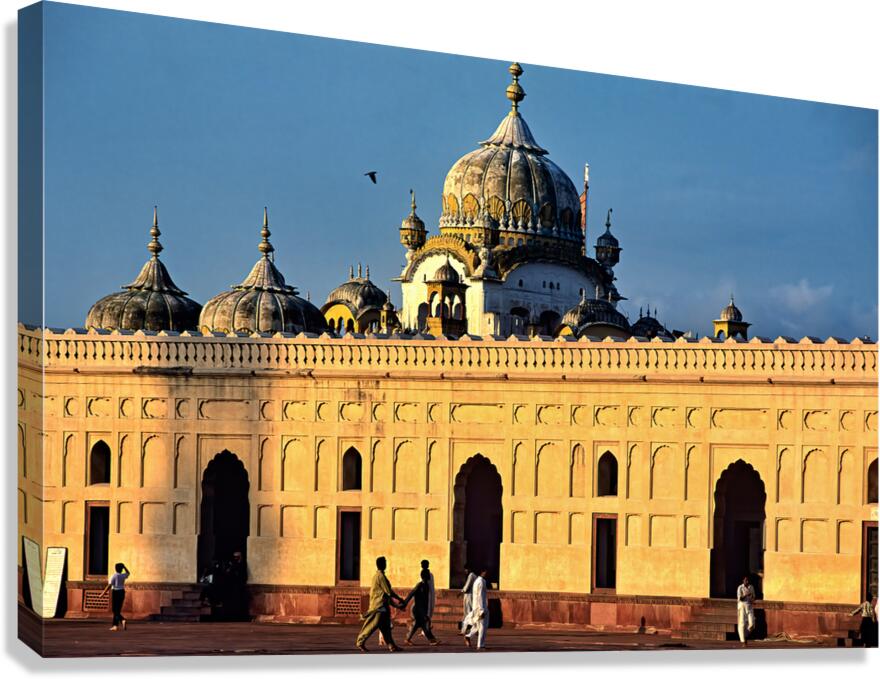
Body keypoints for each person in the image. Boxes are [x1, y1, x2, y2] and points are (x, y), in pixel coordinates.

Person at [356, 556, 404, 652]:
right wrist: (399, 599)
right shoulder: (380, 577)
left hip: (383, 607)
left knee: (386, 629)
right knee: (371, 626)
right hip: (378, 607)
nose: (386, 564)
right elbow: (388, 592)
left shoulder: (379, 576)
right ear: (382, 564)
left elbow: (386, 595)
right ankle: (360, 642)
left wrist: (397, 605)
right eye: (385, 562)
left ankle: (391, 645)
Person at [401, 569, 441, 646]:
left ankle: (408, 638)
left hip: (421, 609)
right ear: (426, 577)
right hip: (417, 609)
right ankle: (431, 640)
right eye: (428, 575)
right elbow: (411, 594)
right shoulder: (420, 585)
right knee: (423, 624)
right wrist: (404, 603)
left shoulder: (426, 586)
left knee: (419, 624)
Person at [463, 567, 489, 650]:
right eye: (486, 572)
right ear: (483, 572)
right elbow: (480, 596)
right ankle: (480, 645)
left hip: (476, 606)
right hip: (480, 607)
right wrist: (482, 610)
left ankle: (468, 636)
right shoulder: (481, 582)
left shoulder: (477, 581)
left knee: (477, 626)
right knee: (482, 627)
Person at [100, 562, 130, 632]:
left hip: (116, 592)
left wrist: (103, 593)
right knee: (118, 610)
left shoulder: (114, 576)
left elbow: (109, 585)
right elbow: (128, 573)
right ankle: (115, 626)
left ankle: (122, 620)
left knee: (114, 610)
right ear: (122, 569)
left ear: (115, 569)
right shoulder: (123, 575)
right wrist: (124, 566)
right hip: (122, 592)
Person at [736, 575, 756, 646]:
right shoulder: (740, 587)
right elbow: (740, 598)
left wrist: (752, 598)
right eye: (745, 580)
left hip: (749, 605)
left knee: (752, 624)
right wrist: (746, 594)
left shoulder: (751, 587)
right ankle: (743, 641)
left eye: (747, 580)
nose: (747, 582)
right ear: (743, 581)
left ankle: (745, 635)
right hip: (742, 606)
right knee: (742, 623)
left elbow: (753, 597)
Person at [420, 559, 435, 639]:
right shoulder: (422, 584)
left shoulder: (429, 575)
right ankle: (430, 637)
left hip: (427, 599)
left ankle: (428, 634)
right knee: (425, 618)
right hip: (425, 600)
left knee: (426, 618)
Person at [460, 564, 477, 635]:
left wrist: (461, 591)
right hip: (470, 596)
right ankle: (467, 630)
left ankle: (465, 630)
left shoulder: (471, 575)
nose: (465, 571)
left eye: (466, 569)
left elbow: (466, 587)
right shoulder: (474, 576)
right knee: (469, 613)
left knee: (468, 613)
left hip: (469, 596)